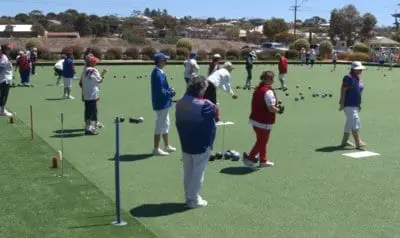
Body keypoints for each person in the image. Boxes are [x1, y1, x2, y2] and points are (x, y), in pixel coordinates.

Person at [175, 76, 216, 209]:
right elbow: (214, 114)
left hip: (185, 141)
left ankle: (189, 196)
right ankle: (192, 199)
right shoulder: (206, 105)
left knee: (188, 170)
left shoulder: (180, 101)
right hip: (201, 142)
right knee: (198, 171)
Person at [243, 71, 284, 170]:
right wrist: (279, 111)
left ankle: (263, 160)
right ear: (267, 79)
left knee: (262, 141)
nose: (273, 81)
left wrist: (276, 106)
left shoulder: (258, 89)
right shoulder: (268, 91)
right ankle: (249, 159)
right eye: (272, 79)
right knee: (261, 142)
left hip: (255, 120)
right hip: (263, 121)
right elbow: (271, 108)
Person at [151, 52, 177, 156]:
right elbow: (161, 91)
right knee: (160, 125)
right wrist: (171, 93)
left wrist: (169, 90)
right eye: (165, 60)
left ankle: (166, 145)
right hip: (161, 103)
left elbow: (163, 89)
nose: (167, 61)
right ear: (160, 61)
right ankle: (156, 149)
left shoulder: (160, 72)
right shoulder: (157, 74)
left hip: (164, 102)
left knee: (166, 124)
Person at [339, 61, 367, 149]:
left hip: (355, 104)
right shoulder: (348, 78)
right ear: (353, 69)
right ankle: (358, 142)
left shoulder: (359, 79)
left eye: (361, 69)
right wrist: (342, 103)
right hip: (348, 104)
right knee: (355, 121)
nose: (360, 70)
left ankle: (345, 141)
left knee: (349, 122)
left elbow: (359, 92)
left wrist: (359, 104)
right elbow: (343, 90)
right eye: (358, 69)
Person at [81, 55, 108, 135]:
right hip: (92, 94)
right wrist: (103, 72)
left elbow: (84, 82)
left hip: (86, 94)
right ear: (90, 62)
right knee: (92, 112)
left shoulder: (84, 70)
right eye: (94, 61)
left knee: (88, 111)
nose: (96, 62)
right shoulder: (94, 70)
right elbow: (100, 80)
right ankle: (89, 129)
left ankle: (89, 127)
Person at [0, 43, 13, 117]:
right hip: (4, 79)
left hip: (5, 78)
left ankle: (2, 110)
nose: (10, 50)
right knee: (4, 95)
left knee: (2, 95)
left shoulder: (4, 57)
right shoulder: (4, 58)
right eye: (9, 49)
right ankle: (2, 111)